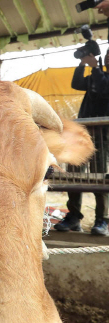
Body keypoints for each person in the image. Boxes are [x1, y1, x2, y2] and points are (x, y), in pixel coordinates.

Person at [54, 52, 109, 236]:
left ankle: (102, 219)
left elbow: (103, 88)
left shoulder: (101, 78)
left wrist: (94, 68)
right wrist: (82, 64)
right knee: (74, 175)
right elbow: (76, 83)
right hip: (82, 134)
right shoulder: (97, 75)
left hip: (101, 136)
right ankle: (73, 217)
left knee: (99, 178)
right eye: (108, 53)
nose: (108, 56)